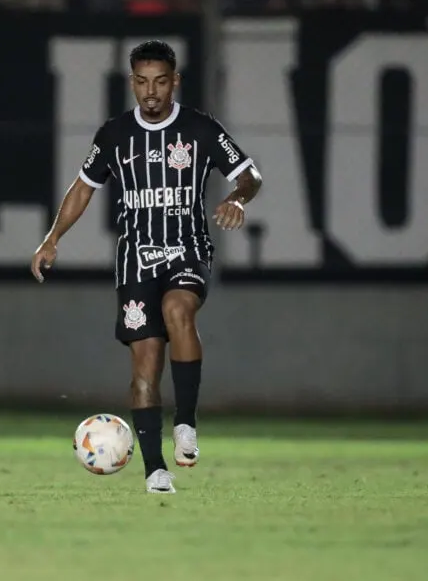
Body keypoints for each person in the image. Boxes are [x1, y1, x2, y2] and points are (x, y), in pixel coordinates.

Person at [30, 40, 262, 494]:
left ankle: (187, 422)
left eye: (160, 81)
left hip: (187, 249)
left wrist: (237, 197)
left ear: (174, 81)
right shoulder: (115, 135)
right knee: (145, 364)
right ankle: (155, 470)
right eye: (142, 82)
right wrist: (52, 238)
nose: (150, 91)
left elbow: (249, 174)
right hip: (135, 259)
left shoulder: (199, 129)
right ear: (132, 82)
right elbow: (83, 188)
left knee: (179, 311)